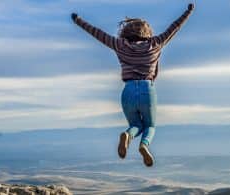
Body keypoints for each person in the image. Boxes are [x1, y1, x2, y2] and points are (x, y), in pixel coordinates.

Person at [71, 3, 194, 167]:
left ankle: (128, 136)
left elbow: (97, 33)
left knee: (135, 125)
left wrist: (78, 20)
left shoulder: (119, 45)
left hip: (127, 91)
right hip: (146, 89)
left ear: (126, 32)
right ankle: (144, 145)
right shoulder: (155, 44)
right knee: (149, 125)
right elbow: (174, 27)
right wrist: (188, 12)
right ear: (147, 32)